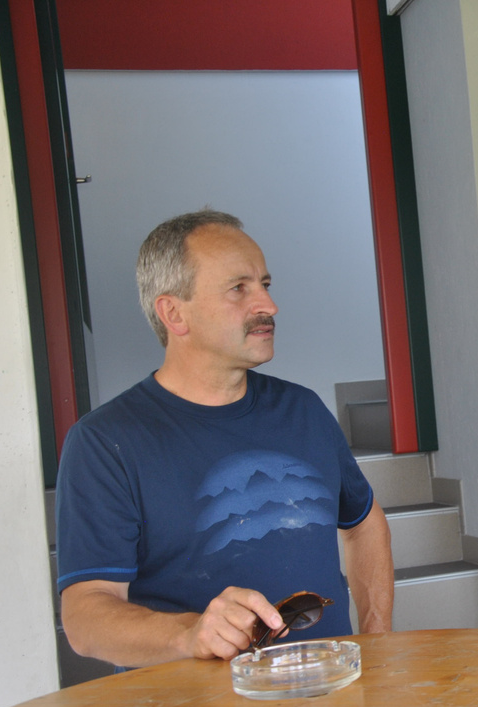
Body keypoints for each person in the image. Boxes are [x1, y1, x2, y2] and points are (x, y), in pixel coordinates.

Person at [57, 209, 393, 668]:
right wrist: (187, 633)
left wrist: (376, 642)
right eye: (239, 288)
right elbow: (84, 617)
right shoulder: (105, 442)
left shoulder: (304, 409)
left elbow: (364, 521)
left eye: (265, 284)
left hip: (331, 694)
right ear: (174, 313)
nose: (268, 305)